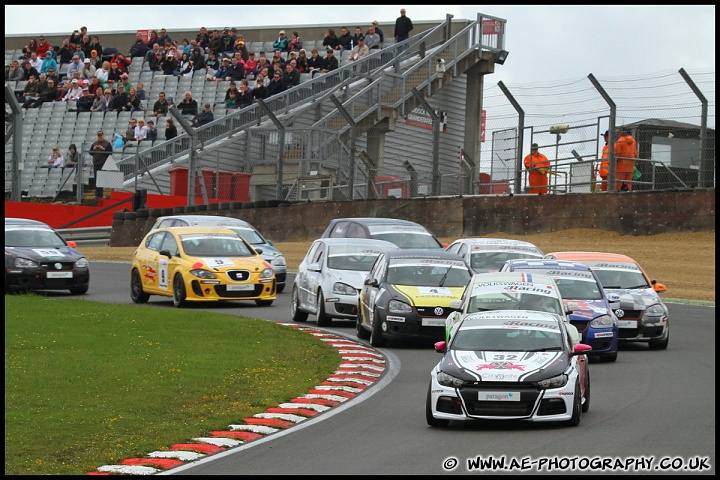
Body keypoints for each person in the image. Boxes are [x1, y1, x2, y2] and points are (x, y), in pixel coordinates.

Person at [614, 127, 637, 192]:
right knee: (628, 182)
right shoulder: (633, 141)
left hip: (621, 164)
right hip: (630, 164)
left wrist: (615, 161)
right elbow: (635, 153)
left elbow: (616, 153)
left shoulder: (620, 140)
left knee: (619, 181)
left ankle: (618, 194)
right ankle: (629, 193)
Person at [90, 131, 112, 199]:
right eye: (99, 136)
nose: (100, 137)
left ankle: (100, 194)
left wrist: (103, 149)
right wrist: (94, 149)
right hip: (96, 163)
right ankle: (97, 194)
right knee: (96, 179)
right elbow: (90, 152)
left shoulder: (107, 143)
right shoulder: (94, 144)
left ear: (103, 135)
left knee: (101, 179)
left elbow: (110, 152)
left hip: (103, 163)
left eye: (101, 135)